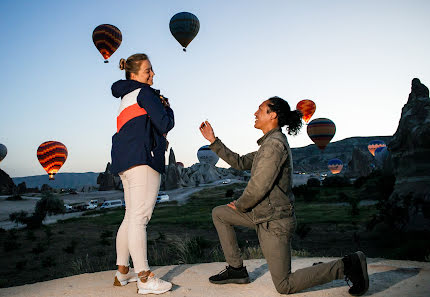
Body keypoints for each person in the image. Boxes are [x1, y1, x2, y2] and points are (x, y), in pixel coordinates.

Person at [199, 97, 369, 296]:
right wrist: (213, 141)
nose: (255, 113)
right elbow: (240, 161)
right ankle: (237, 270)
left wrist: (240, 204)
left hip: (275, 221)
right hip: (262, 214)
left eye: (260, 109)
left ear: (273, 115)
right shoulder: (267, 144)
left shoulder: (274, 146)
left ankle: (348, 265)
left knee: (284, 285)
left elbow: (258, 187)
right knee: (220, 213)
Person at [110, 53, 174, 295]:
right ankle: (145, 279)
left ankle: (122, 273)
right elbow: (165, 124)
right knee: (139, 219)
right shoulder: (146, 94)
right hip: (144, 161)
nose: (153, 74)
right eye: (148, 70)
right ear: (134, 74)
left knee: (130, 217)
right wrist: (167, 108)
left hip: (125, 163)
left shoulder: (125, 97)